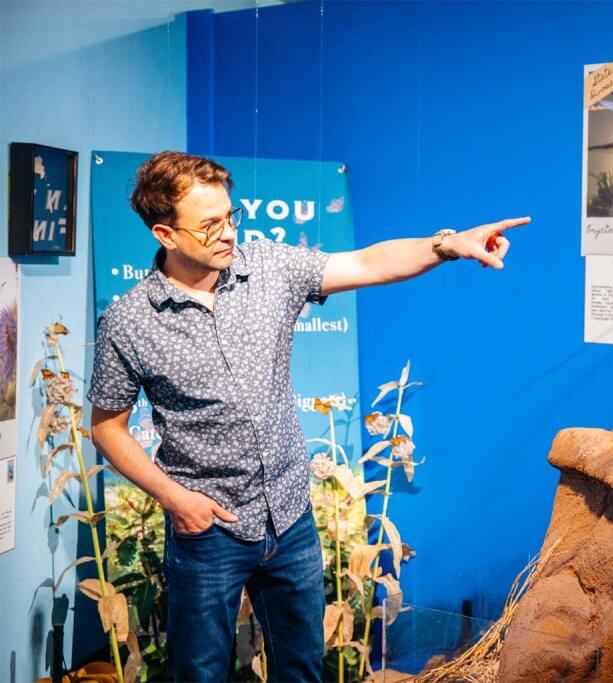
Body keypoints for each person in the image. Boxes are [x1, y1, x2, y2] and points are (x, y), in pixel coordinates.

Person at [88, 151, 528, 682]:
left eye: (231, 216)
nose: (228, 233)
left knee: (301, 668)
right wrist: (176, 500)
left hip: (290, 518)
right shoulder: (129, 323)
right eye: (209, 226)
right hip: (208, 532)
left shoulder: (269, 266)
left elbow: (367, 263)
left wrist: (447, 245)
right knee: (200, 674)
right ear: (166, 234)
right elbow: (106, 426)